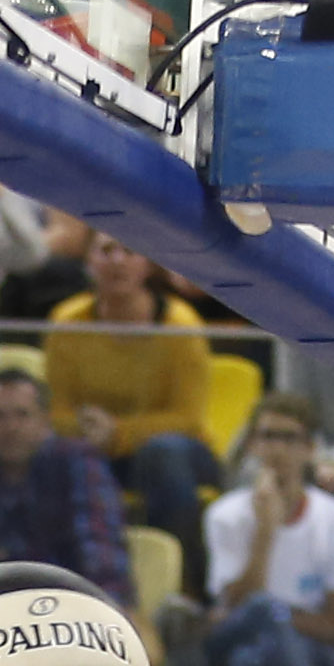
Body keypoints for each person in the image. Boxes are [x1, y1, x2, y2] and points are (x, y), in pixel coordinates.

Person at [191, 388, 334, 666]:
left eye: (290, 438)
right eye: (268, 437)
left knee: (253, 659)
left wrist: (277, 617)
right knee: (260, 611)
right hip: (234, 636)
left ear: (310, 449)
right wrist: (265, 532)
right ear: (252, 445)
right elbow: (236, 606)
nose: (277, 449)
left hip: (311, 648)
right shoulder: (224, 515)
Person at [42, 230, 218, 538]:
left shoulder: (181, 326)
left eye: (129, 249)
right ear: (88, 261)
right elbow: (56, 411)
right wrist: (88, 430)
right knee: (50, 452)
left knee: (162, 453)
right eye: (106, 250)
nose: (117, 261)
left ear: (148, 263)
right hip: (93, 443)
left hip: (179, 453)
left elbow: (187, 419)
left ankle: (184, 573)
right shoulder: (68, 322)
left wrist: (118, 433)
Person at [0, 362, 134, 614]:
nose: (11, 427)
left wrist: (106, 611)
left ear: (44, 421)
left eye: (22, 415)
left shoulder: (78, 463)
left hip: (73, 603)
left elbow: (100, 551)